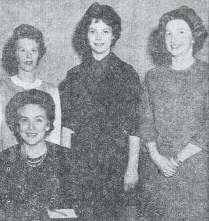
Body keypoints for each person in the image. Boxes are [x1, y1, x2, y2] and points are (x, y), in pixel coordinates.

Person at [59, 2, 142, 219]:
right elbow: (66, 128)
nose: (98, 37)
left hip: (115, 164)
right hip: (80, 163)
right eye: (92, 31)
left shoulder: (127, 74)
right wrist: (66, 167)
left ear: (114, 35)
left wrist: (131, 168)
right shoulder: (74, 76)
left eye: (105, 31)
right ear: (85, 35)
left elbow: (135, 127)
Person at [139, 6, 208, 221]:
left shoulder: (206, 74)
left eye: (181, 32)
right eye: (168, 33)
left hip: (195, 171)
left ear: (194, 37)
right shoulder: (152, 77)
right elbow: (145, 122)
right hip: (157, 170)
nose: (173, 39)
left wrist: (177, 160)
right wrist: (156, 158)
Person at [0, 89, 75, 220]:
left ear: (48, 125)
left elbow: (76, 209)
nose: (31, 127)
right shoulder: (3, 160)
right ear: (17, 126)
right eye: (24, 120)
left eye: (38, 120)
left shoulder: (67, 159)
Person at [0, 24, 61, 159]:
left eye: (33, 50)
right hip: (9, 165)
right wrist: (0, 167)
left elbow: (54, 138)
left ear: (40, 53)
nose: (28, 56)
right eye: (22, 50)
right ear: (14, 53)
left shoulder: (52, 90)